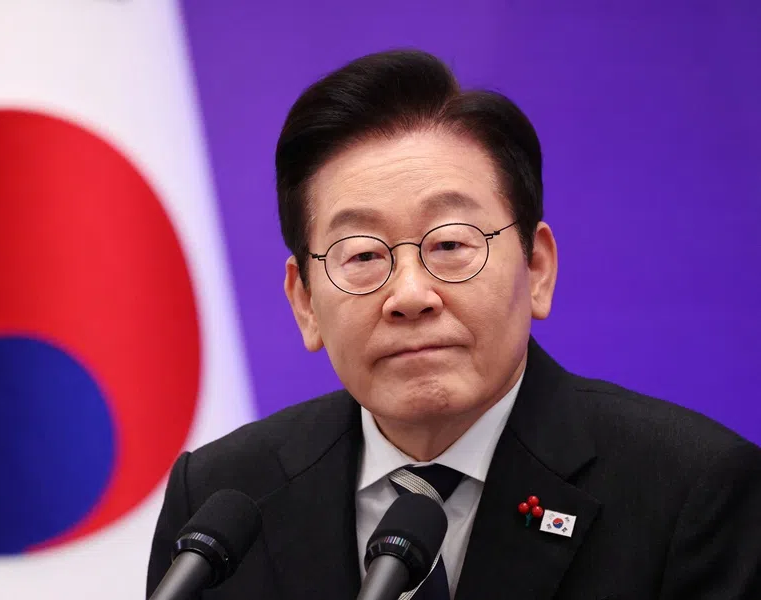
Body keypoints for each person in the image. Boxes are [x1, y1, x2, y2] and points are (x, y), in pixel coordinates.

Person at [146, 49, 761, 599]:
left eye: (450, 245)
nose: (409, 295)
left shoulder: (691, 493)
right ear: (304, 301)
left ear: (537, 267)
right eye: (362, 255)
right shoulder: (219, 502)